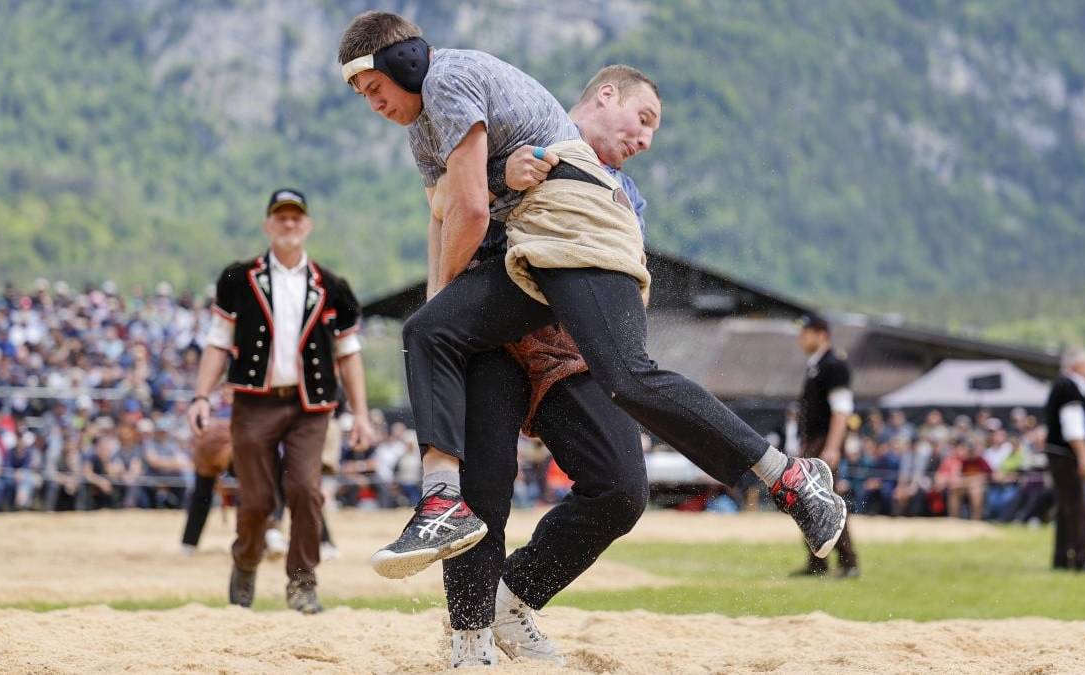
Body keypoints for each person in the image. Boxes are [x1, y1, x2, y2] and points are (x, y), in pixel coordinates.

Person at [338, 11, 844, 589]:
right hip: (532, 258)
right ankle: (454, 545)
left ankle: (788, 476)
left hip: (567, 258)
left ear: (403, 64)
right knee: (429, 332)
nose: (645, 139)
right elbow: (448, 211)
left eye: (375, 88)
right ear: (604, 96)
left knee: (626, 383)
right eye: (643, 119)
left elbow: (473, 209)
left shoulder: (454, 84)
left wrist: (495, 187)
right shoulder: (435, 121)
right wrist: (445, 293)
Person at [186, 188, 375, 613]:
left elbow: (348, 354)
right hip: (255, 402)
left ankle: (303, 582)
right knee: (256, 501)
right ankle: (247, 563)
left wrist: (361, 414)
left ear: (307, 225)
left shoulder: (332, 286)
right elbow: (218, 342)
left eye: (296, 218)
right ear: (268, 225)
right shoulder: (238, 279)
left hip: (310, 406)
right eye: (281, 218)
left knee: (306, 490)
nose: (289, 225)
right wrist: (201, 395)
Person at [791, 313, 859, 577]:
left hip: (823, 442)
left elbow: (841, 411)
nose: (801, 337)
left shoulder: (833, 365)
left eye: (805, 332)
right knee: (810, 502)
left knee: (826, 503)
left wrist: (832, 447)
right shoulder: (816, 365)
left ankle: (848, 562)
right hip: (814, 442)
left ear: (821, 335)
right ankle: (818, 562)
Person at [1043, 348, 1085, 572]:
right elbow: (1073, 426)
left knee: (1064, 506)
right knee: (1077, 506)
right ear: (1076, 365)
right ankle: (1080, 557)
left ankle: (1061, 558)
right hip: (1067, 455)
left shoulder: (1060, 385)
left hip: (1058, 454)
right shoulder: (1070, 387)